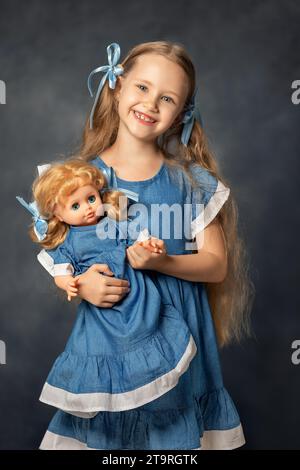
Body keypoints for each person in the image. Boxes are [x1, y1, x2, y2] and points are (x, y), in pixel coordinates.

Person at [35, 41, 254, 450]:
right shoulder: (77, 182)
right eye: (142, 87)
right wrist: (84, 285)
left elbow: (216, 265)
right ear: (116, 87)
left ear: (180, 113)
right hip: (110, 352)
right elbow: (63, 257)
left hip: (184, 355)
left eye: (167, 98)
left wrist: (163, 261)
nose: (151, 104)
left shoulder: (191, 183)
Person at [16, 159, 197, 420]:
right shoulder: (68, 242)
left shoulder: (111, 224)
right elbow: (61, 270)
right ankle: (118, 395)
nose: (88, 209)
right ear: (57, 214)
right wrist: (69, 283)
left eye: (91, 198)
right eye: (75, 206)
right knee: (106, 348)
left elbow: (137, 239)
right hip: (102, 311)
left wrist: (151, 245)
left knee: (147, 333)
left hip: (137, 297)